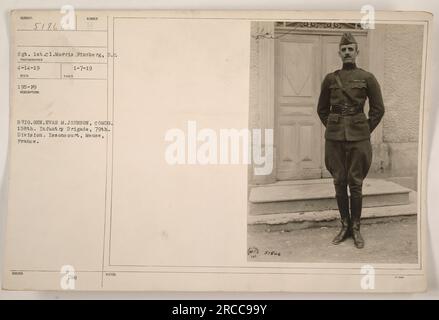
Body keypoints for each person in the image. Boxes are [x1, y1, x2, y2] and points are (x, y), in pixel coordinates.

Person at [317, 32, 385, 249]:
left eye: (350, 49)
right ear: (339, 53)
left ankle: (356, 227)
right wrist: (335, 127)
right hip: (335, 138)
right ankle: (344, 224)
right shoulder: (330, 79)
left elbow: (378, 109)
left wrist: (364, 128)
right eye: (343, 50)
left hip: (359, 137)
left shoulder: (367, 78)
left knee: (355, 183)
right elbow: (321, 109)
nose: (347, 52)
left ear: (357, 52)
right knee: (339, 182)